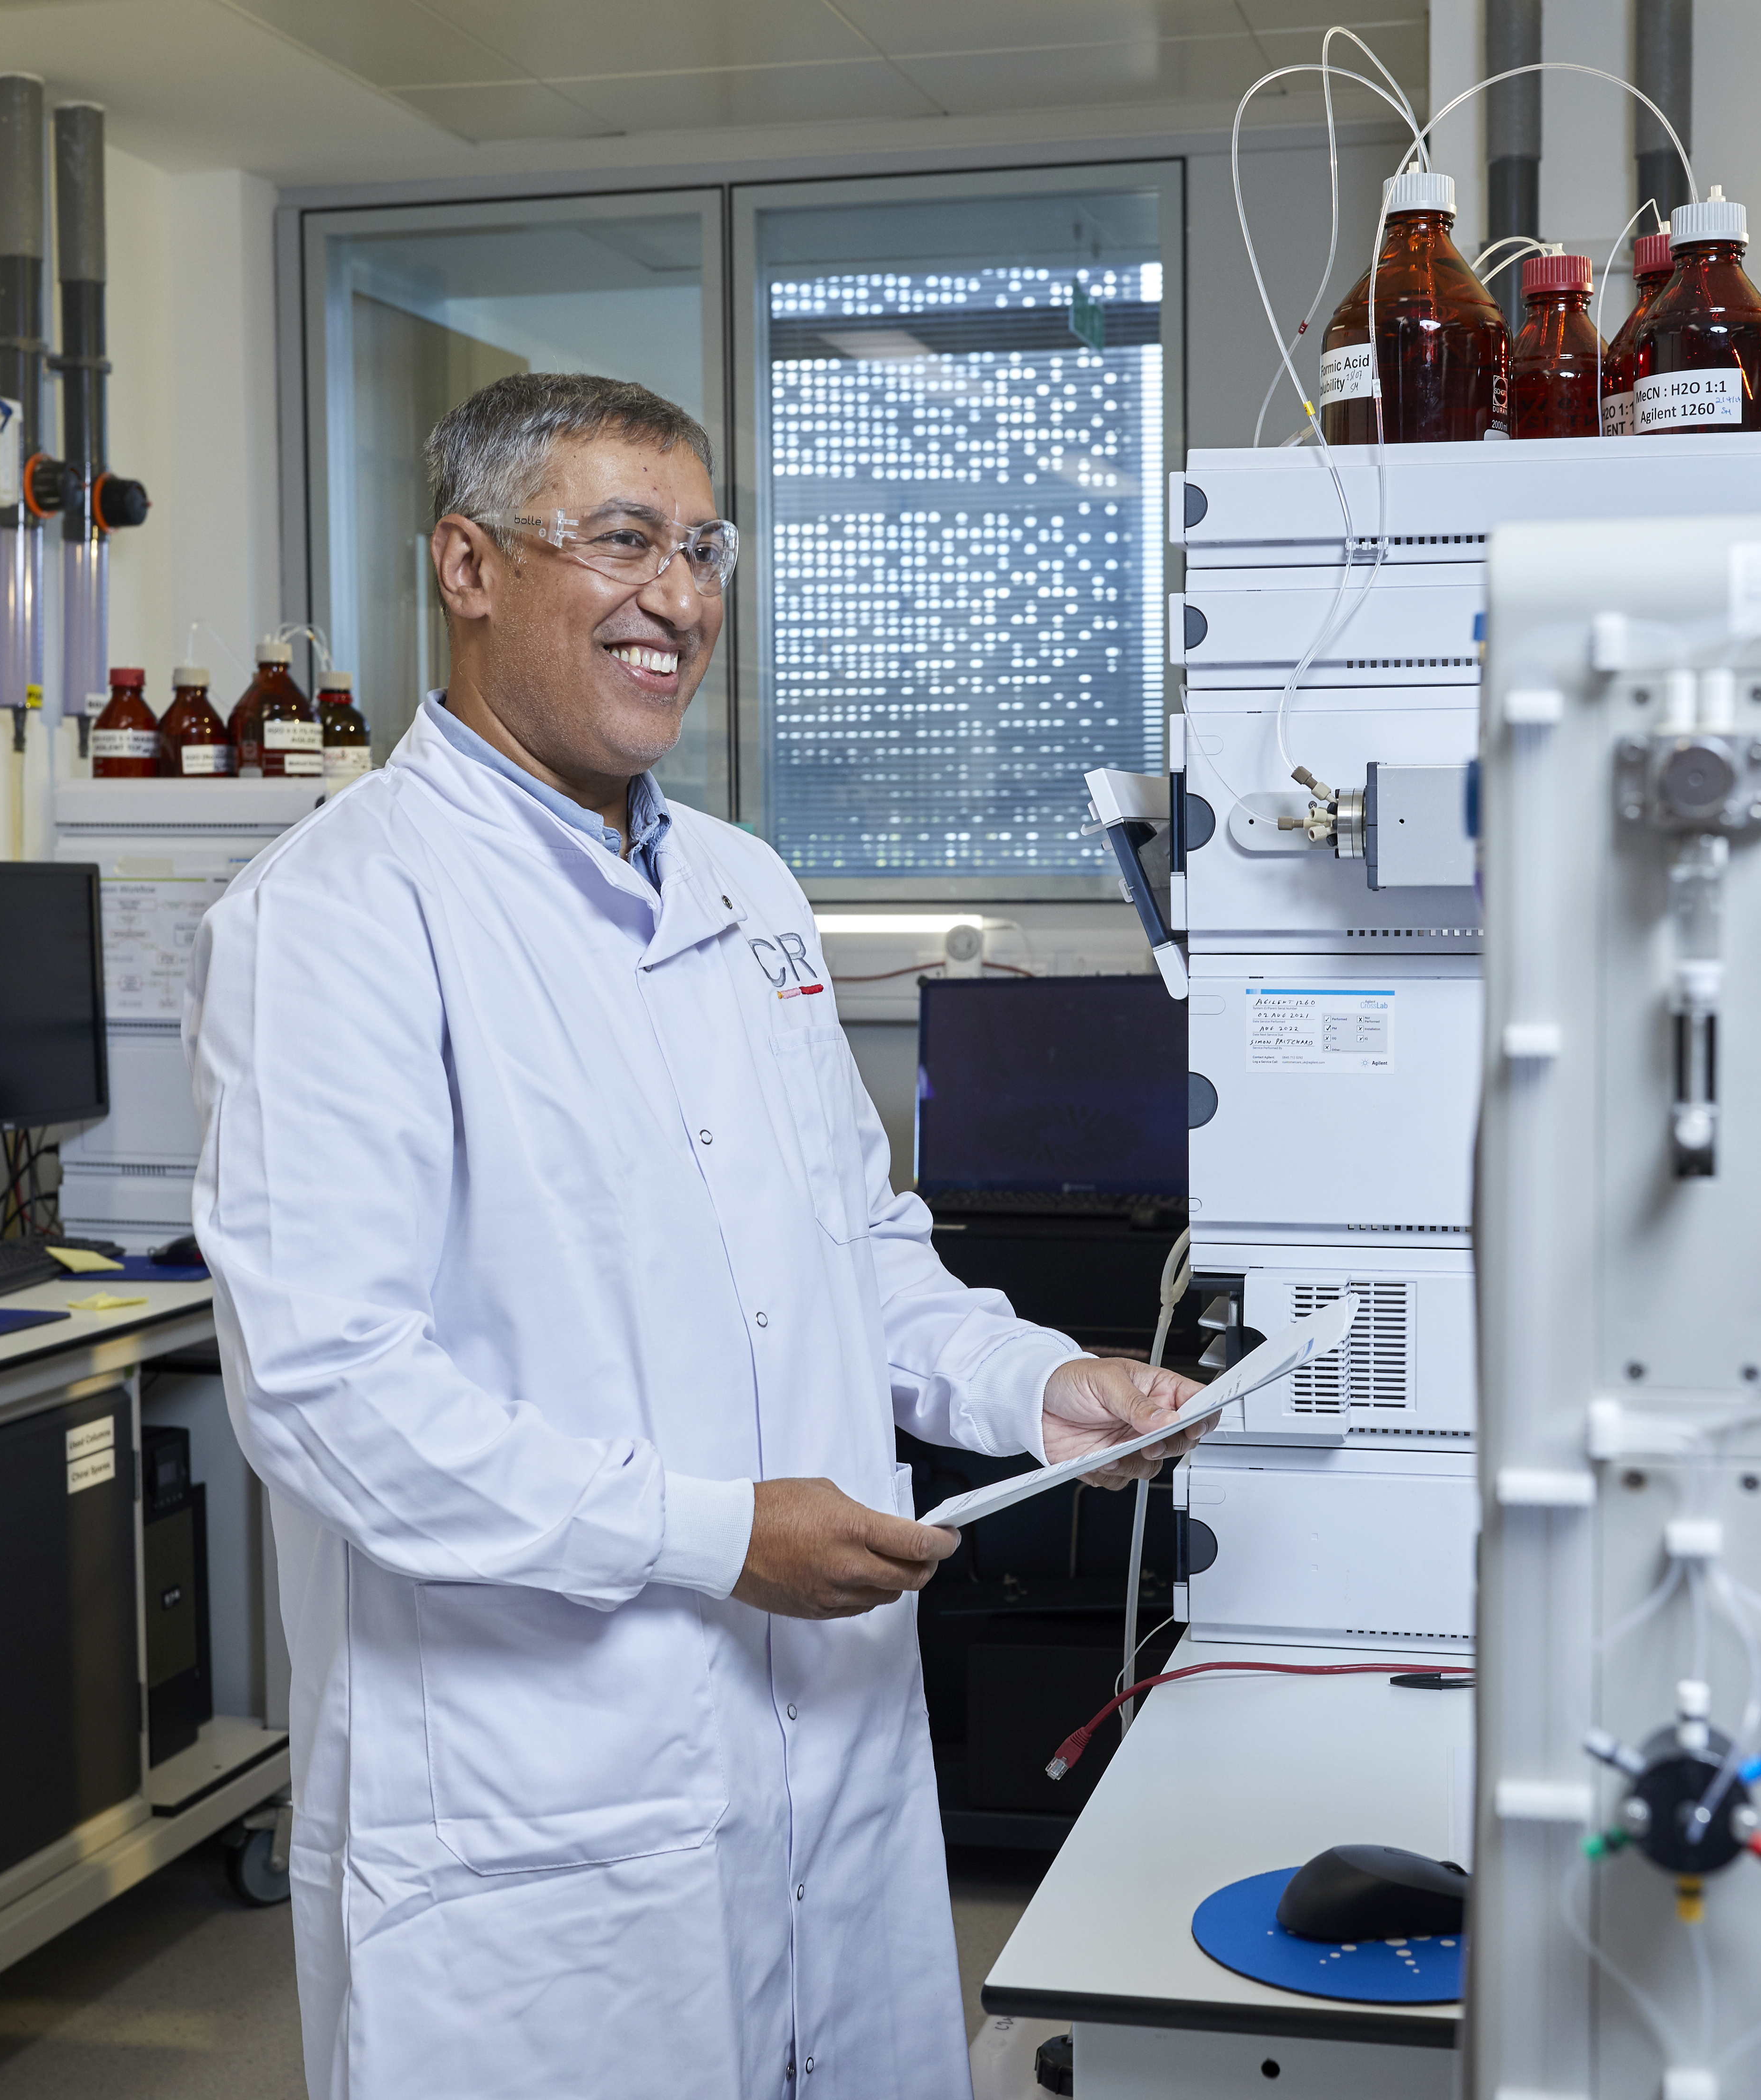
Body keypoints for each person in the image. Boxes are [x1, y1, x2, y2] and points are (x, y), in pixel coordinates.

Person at [186, 371, 1206, 2100]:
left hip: (822, 1750)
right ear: (468, 567)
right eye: (623, 542)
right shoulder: (337, 922)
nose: (678, 596)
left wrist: (1040, 1392)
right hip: (544, 1797)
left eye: (704, 547)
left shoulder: (746, 887)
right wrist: (713, 1538)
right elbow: (330, 1400)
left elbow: (854, 1248)